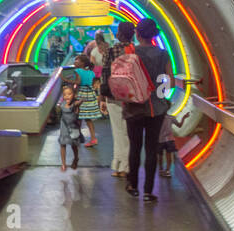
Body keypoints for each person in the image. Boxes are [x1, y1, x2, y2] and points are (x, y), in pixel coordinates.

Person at [122, 17, 173, 202]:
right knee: (152, 149)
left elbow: (123, 82)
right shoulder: (163, 54)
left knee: (135, 148)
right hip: (156, 109)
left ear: (137, 33)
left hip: (133, 109)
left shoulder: (129, 53)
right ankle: (148, 192)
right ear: (154, 35)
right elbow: (170, 82)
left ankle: (133, 186)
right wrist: (158, 96)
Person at [100, 22, 134, 178]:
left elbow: (105, 74)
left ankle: (119, 165)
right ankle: (128, 165)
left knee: (118, 130)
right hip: (132, 97)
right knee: (129, 131)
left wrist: (102, 96)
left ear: (120, 34)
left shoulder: (112, 51)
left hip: (114, 96)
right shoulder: (136, 51)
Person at [74, 60, 103, 146]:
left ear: (82, 63)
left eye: (77, 61)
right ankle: (93, 138)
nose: (75, 63)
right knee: (88, 119)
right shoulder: (91, 72)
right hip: (90, 95)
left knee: (78, 117)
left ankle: (78, 136)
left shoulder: (78, 71)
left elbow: (77, 84)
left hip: (81, 95)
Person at [58, 85, 83, 170]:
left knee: (74, 145)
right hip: (64, 126)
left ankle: (76, 158)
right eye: (65, 94)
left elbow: (78, 103)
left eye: (69, 94)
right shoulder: (62, 104)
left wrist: (81, 101)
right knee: (62, 144)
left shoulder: (74, 105)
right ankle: (63, 164)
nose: (67, 96)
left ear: (74, 95)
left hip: (73, 127)